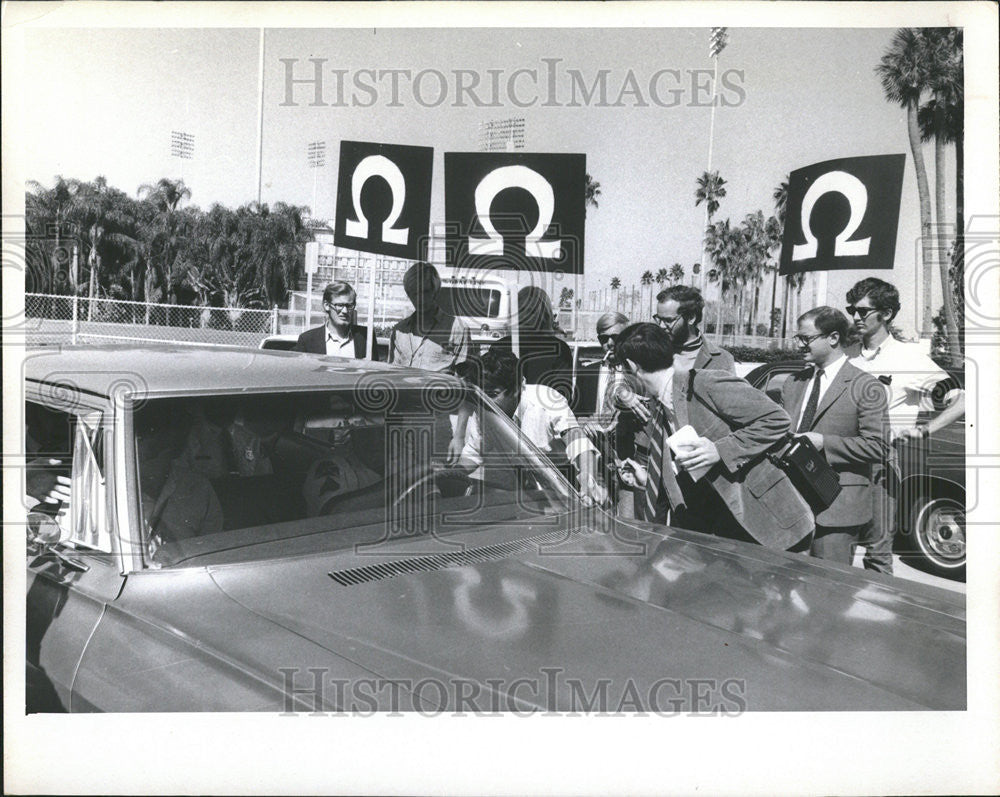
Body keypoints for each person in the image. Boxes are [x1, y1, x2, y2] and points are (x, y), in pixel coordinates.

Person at [615, 323, 813, 550]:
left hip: (768, 525)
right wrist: (648, 478)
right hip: (717, 531)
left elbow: (776, 419)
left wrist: (720, 450)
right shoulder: (659, 406)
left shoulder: (704, 382)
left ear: (632, 366)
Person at [846, 277, 965, 574]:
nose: (856, 317)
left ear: (886, 313)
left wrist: (923, 430)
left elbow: (960, 398)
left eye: (863, 311)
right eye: (852, 310)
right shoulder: (847, 354)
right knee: (835, 546)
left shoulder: (909, 358)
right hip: (841, 460)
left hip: (881, 464)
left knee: (877, 552)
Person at [781, 307, 890, 565]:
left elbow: (879, 446)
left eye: (805, 339)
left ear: (832, 338)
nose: (799, 345)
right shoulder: (793, 382)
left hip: (837, 509)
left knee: (828, 593)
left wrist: (823, 443)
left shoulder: (865, 386)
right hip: (789, 504)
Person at [458, 347, 608, 507]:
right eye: (481, 395)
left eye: (492, 394)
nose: (484, 401)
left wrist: (588, 479)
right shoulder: (484, 410)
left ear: (516, 389)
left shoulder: (547, 400)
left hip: (566, 484)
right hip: (522, 491)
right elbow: (473, 453)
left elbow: (578, 442)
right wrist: (449, 475)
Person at [490, 285, 574, 404]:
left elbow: (488, 390)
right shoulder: (559, 350)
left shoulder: (500, 346)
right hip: (541, 416)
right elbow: (563, 396)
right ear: (547, 314)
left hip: (503, 417)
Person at [389, 262, 471, 371]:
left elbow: (464, 378)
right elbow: (391, 373)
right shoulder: (399, 331)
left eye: (425, 291)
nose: (420, 299)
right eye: (415, 293)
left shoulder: (458, 329)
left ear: (435, 291)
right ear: (409, 295)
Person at [654, 285, 735, 374]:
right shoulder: (650, 353)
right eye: (659, 319)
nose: (661, 326)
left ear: (691, 318)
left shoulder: (722, 360)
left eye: (668, 320)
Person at [293, 281, 378, 359]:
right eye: (339, 305)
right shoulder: (308, 340)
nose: (345, 311)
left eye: (349, 306)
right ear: (326, 305)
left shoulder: (366, 337)